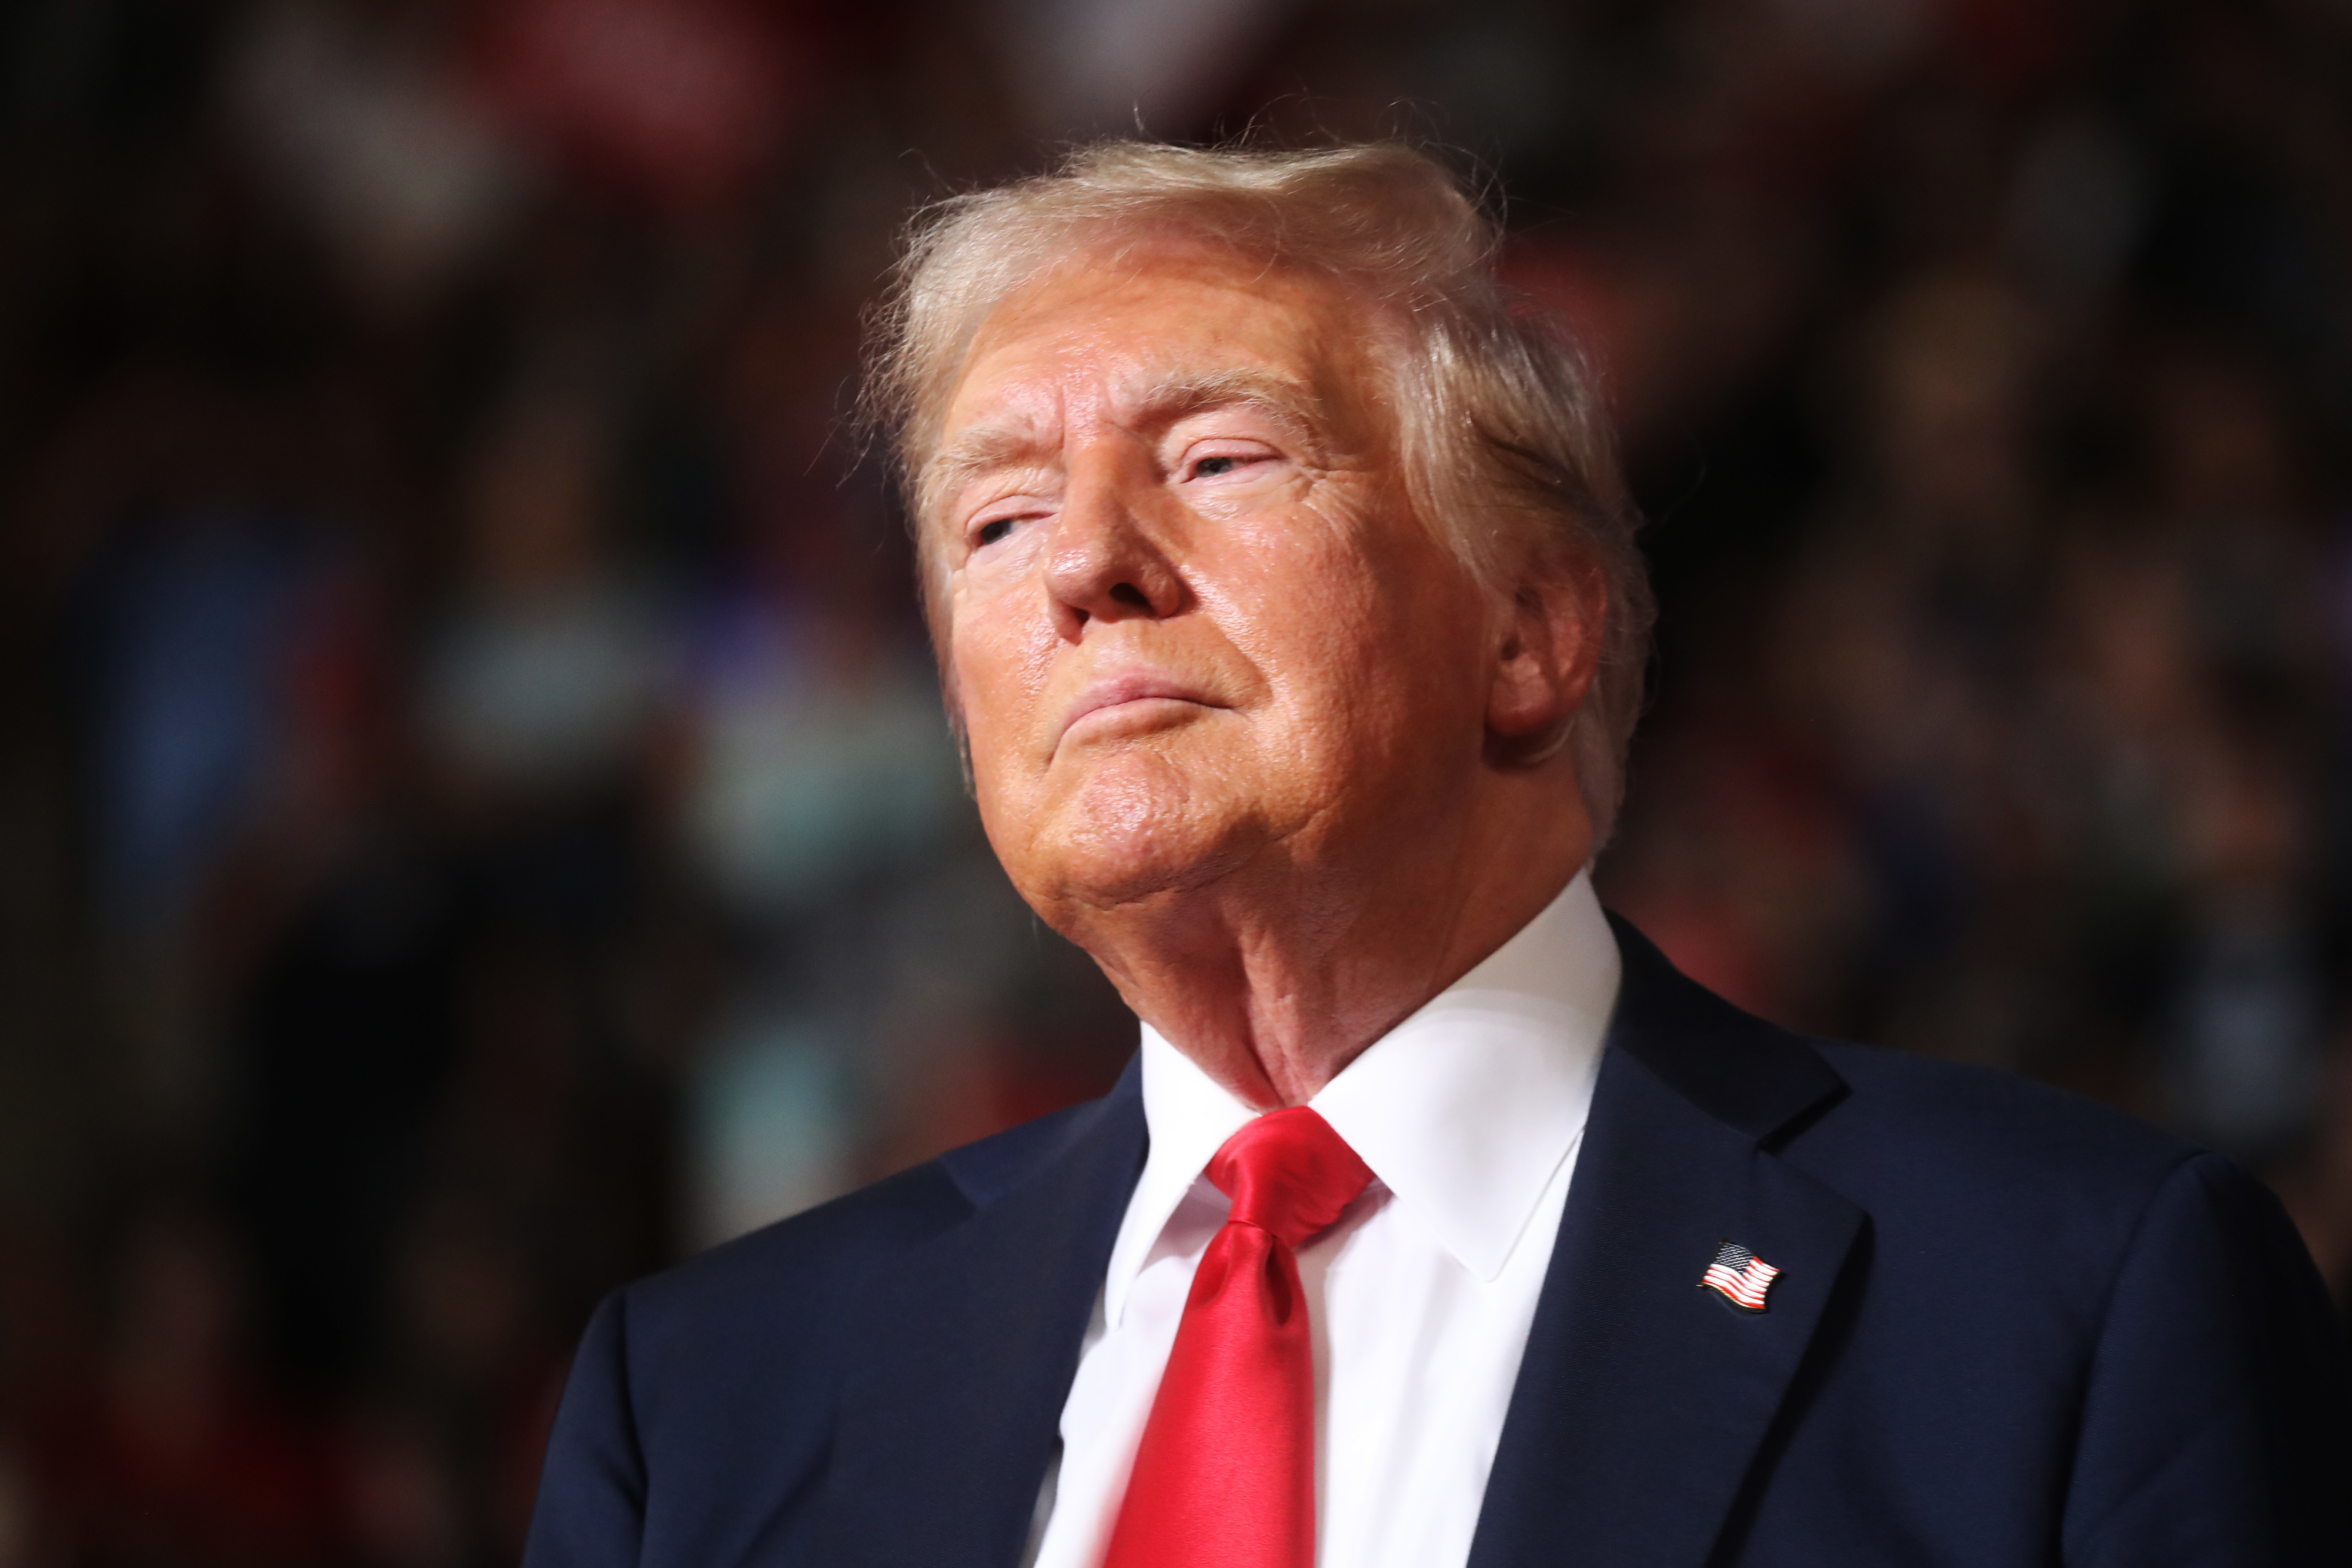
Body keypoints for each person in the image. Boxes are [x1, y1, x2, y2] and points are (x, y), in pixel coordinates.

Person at [522, 143, 2350, 1568]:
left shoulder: (2068, 1297)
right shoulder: (704, 1406)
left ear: (1529, 632)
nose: (1085, 564)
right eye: (995, 518)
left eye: (1222, 460)